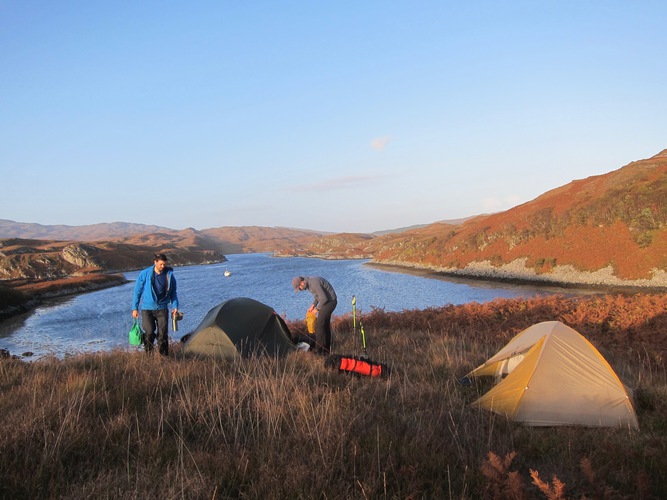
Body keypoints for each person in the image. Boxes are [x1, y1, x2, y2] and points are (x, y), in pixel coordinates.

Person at [132, 253, 179, 356]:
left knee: (163, 334)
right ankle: (149, 356)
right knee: (149, 332)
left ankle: (164, 357)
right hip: (147, 309)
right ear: (155, 262)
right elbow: (137, 291)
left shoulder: (169, 275)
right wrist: (135, 308)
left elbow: (173, 293)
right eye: (161, 264)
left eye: (164, 264)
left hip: (162, 309)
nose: (163, 266)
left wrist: (175, 306)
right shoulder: (145, 274)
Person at [292, 276, 337, 355]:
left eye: (299, 288)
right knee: (325, 325)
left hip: (330, 302)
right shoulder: (309, 285)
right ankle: (326, 349)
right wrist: (313, 305)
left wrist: (317, 309)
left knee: (319, 325)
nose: (300, 290)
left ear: (302, 283)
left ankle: (319, 350)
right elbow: (317, 296)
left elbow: (324, 298)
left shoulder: (314, 282)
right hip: (326, 302)